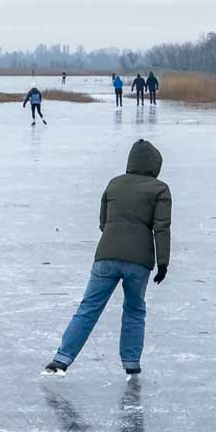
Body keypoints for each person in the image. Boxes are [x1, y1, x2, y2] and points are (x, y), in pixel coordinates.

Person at [44, 140, 171, 376]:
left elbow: (103, 222)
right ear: (155, 165)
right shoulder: (160, 189)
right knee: (134, 309)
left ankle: (61, 359)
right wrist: (163, 262)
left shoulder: (114, 184)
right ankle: (131, 364)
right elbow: (161, 227)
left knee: (89, 307)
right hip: (139, 261)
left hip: (106, 256)